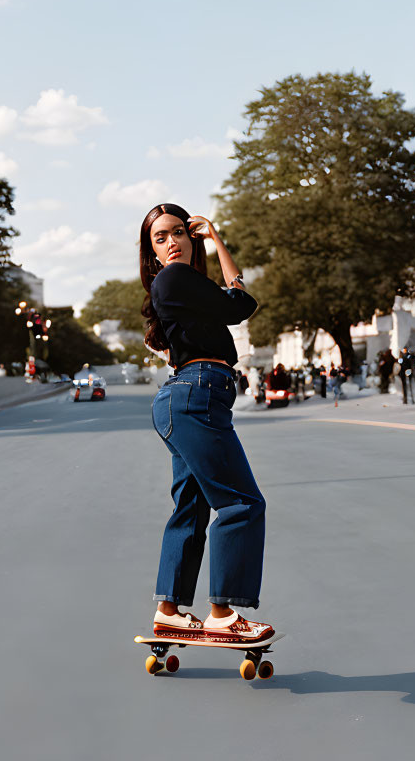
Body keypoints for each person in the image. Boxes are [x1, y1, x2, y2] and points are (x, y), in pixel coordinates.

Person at [141, 203, 273, 643]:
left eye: (179, 232)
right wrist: (216, 243)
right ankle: (222, 612)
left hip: (184, 397)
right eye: (161, 238)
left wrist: (213, 239)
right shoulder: (176, 278)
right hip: (198, 393)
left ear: (189, 236)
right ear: (153, 251)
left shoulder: (183, 284)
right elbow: (240, 306)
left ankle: (170, 611)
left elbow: (237, 303)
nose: (172, 242)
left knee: (192, 508)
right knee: (242, 503)